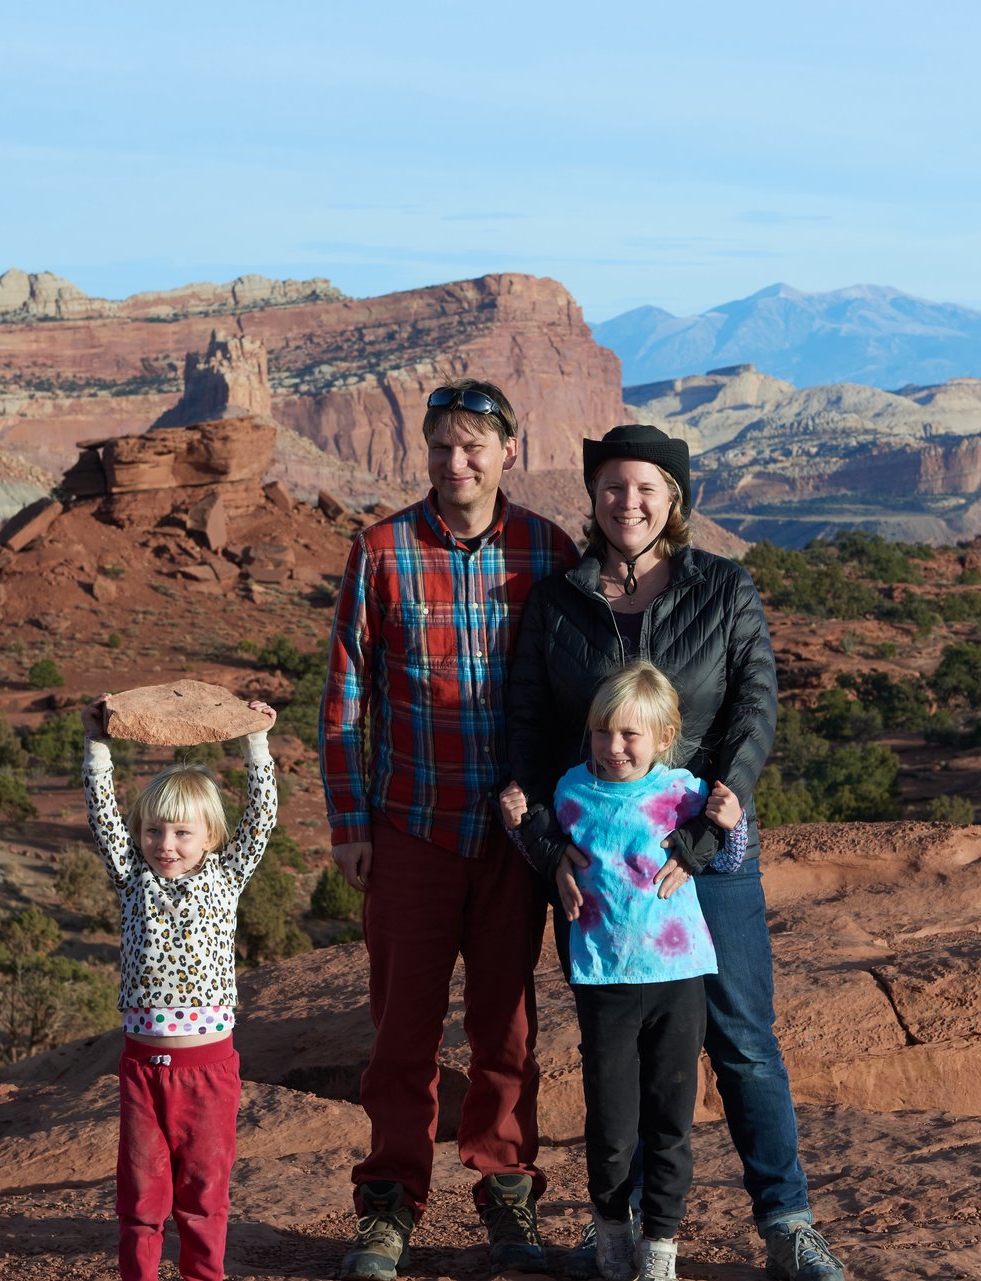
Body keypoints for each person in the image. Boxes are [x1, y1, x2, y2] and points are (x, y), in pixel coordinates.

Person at [505, 424, 848, 1280]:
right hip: (597, 867)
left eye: (647, 487)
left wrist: (708, 829)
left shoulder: (723, 588)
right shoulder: (557, 603)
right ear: (593, 497)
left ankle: (787, 1223)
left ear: (675, 499)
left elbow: (753, 709)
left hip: (706, 854)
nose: (628, 502)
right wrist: (546, 848)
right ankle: (617, 1230)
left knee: (742, 1037)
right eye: (613, 486)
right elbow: (528, 733)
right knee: (614, 1062)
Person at [319, 378, 579, 1280]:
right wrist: (349, 821)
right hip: (410, 827)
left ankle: (506, 1190)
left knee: (506, 1029)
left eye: (473, 446)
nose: (455, 462)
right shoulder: (381, 548)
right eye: (441, 446)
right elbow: (344, 696)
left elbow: (576, 688)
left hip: (514, 835)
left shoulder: (546, 548)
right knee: (403, 1031)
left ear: (510, 451)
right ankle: (390, 1201)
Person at [499, 661, 745, 1281]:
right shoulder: (571, 791)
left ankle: (660, 1243)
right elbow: (544, 855)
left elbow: (725, 858)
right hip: (604, 980)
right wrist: (519, 824)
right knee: (610, 1126)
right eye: (602, 732)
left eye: (630, 735)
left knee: (670, 1121)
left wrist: (732, 824)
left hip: (678, 978)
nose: (613, 747)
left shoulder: (684, 791)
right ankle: (611, 1230)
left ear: (664, 737)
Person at [81, 693, 279, 1281]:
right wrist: (96, 744)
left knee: (204, 1191)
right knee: (141, 1195)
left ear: (211, 836)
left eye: (182, 832)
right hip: (143, 1068)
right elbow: (102, 815)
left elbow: (262, 817)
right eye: (154, 830)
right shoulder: (132, 877)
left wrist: (255, 739)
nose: (165, 844)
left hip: (208, 1070)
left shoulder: (228, 877)